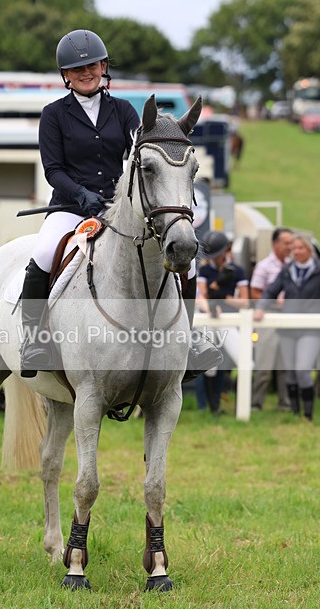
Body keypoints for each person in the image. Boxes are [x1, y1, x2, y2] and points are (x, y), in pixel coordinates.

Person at [20, 27, 221, 379]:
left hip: (120, 210)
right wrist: (80, 194)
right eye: (77, 69)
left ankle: (186, 342)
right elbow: (53, 170)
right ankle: (34, 340)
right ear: (65, 75)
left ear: (103, 68)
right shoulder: (54, 114)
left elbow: (145, 146)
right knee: (43, 254)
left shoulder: (125, 111)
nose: (86, 73)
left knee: (186, 263)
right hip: (70, 208)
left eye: (93, 66)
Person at [254, 234, 320, 421]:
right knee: (290, 372)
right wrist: (261, 307)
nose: (296, 251)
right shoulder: (288, 270)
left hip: (310, 328)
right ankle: (294, 413)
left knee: (303, 370)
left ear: (309, 250)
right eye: (294, 248)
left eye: (300, 248)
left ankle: (307, 415)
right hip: (289, 328)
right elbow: (271, 291)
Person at [196, 231, 250, 415]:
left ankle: (241, 405)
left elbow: (245, 301)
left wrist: (225, 298)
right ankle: (213, 407)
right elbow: (203, 295)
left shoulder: (237, 271)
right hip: (210, 319)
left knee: (242, 360)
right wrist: (215, 288)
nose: (215, 259)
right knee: (211, 365)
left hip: (231, 320)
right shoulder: (205, 270)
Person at [250, 227, 294, 411]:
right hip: (268, 317)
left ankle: (285, 403)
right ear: (275, 244)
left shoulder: (293, 265)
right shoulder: (264, 266)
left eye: (291, 242)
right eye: (286, 243)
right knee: (264, 365)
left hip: (288, 318)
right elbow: (255, 293)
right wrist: (276, 303)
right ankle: (255, 404)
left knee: (286, 364)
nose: (290, 246)